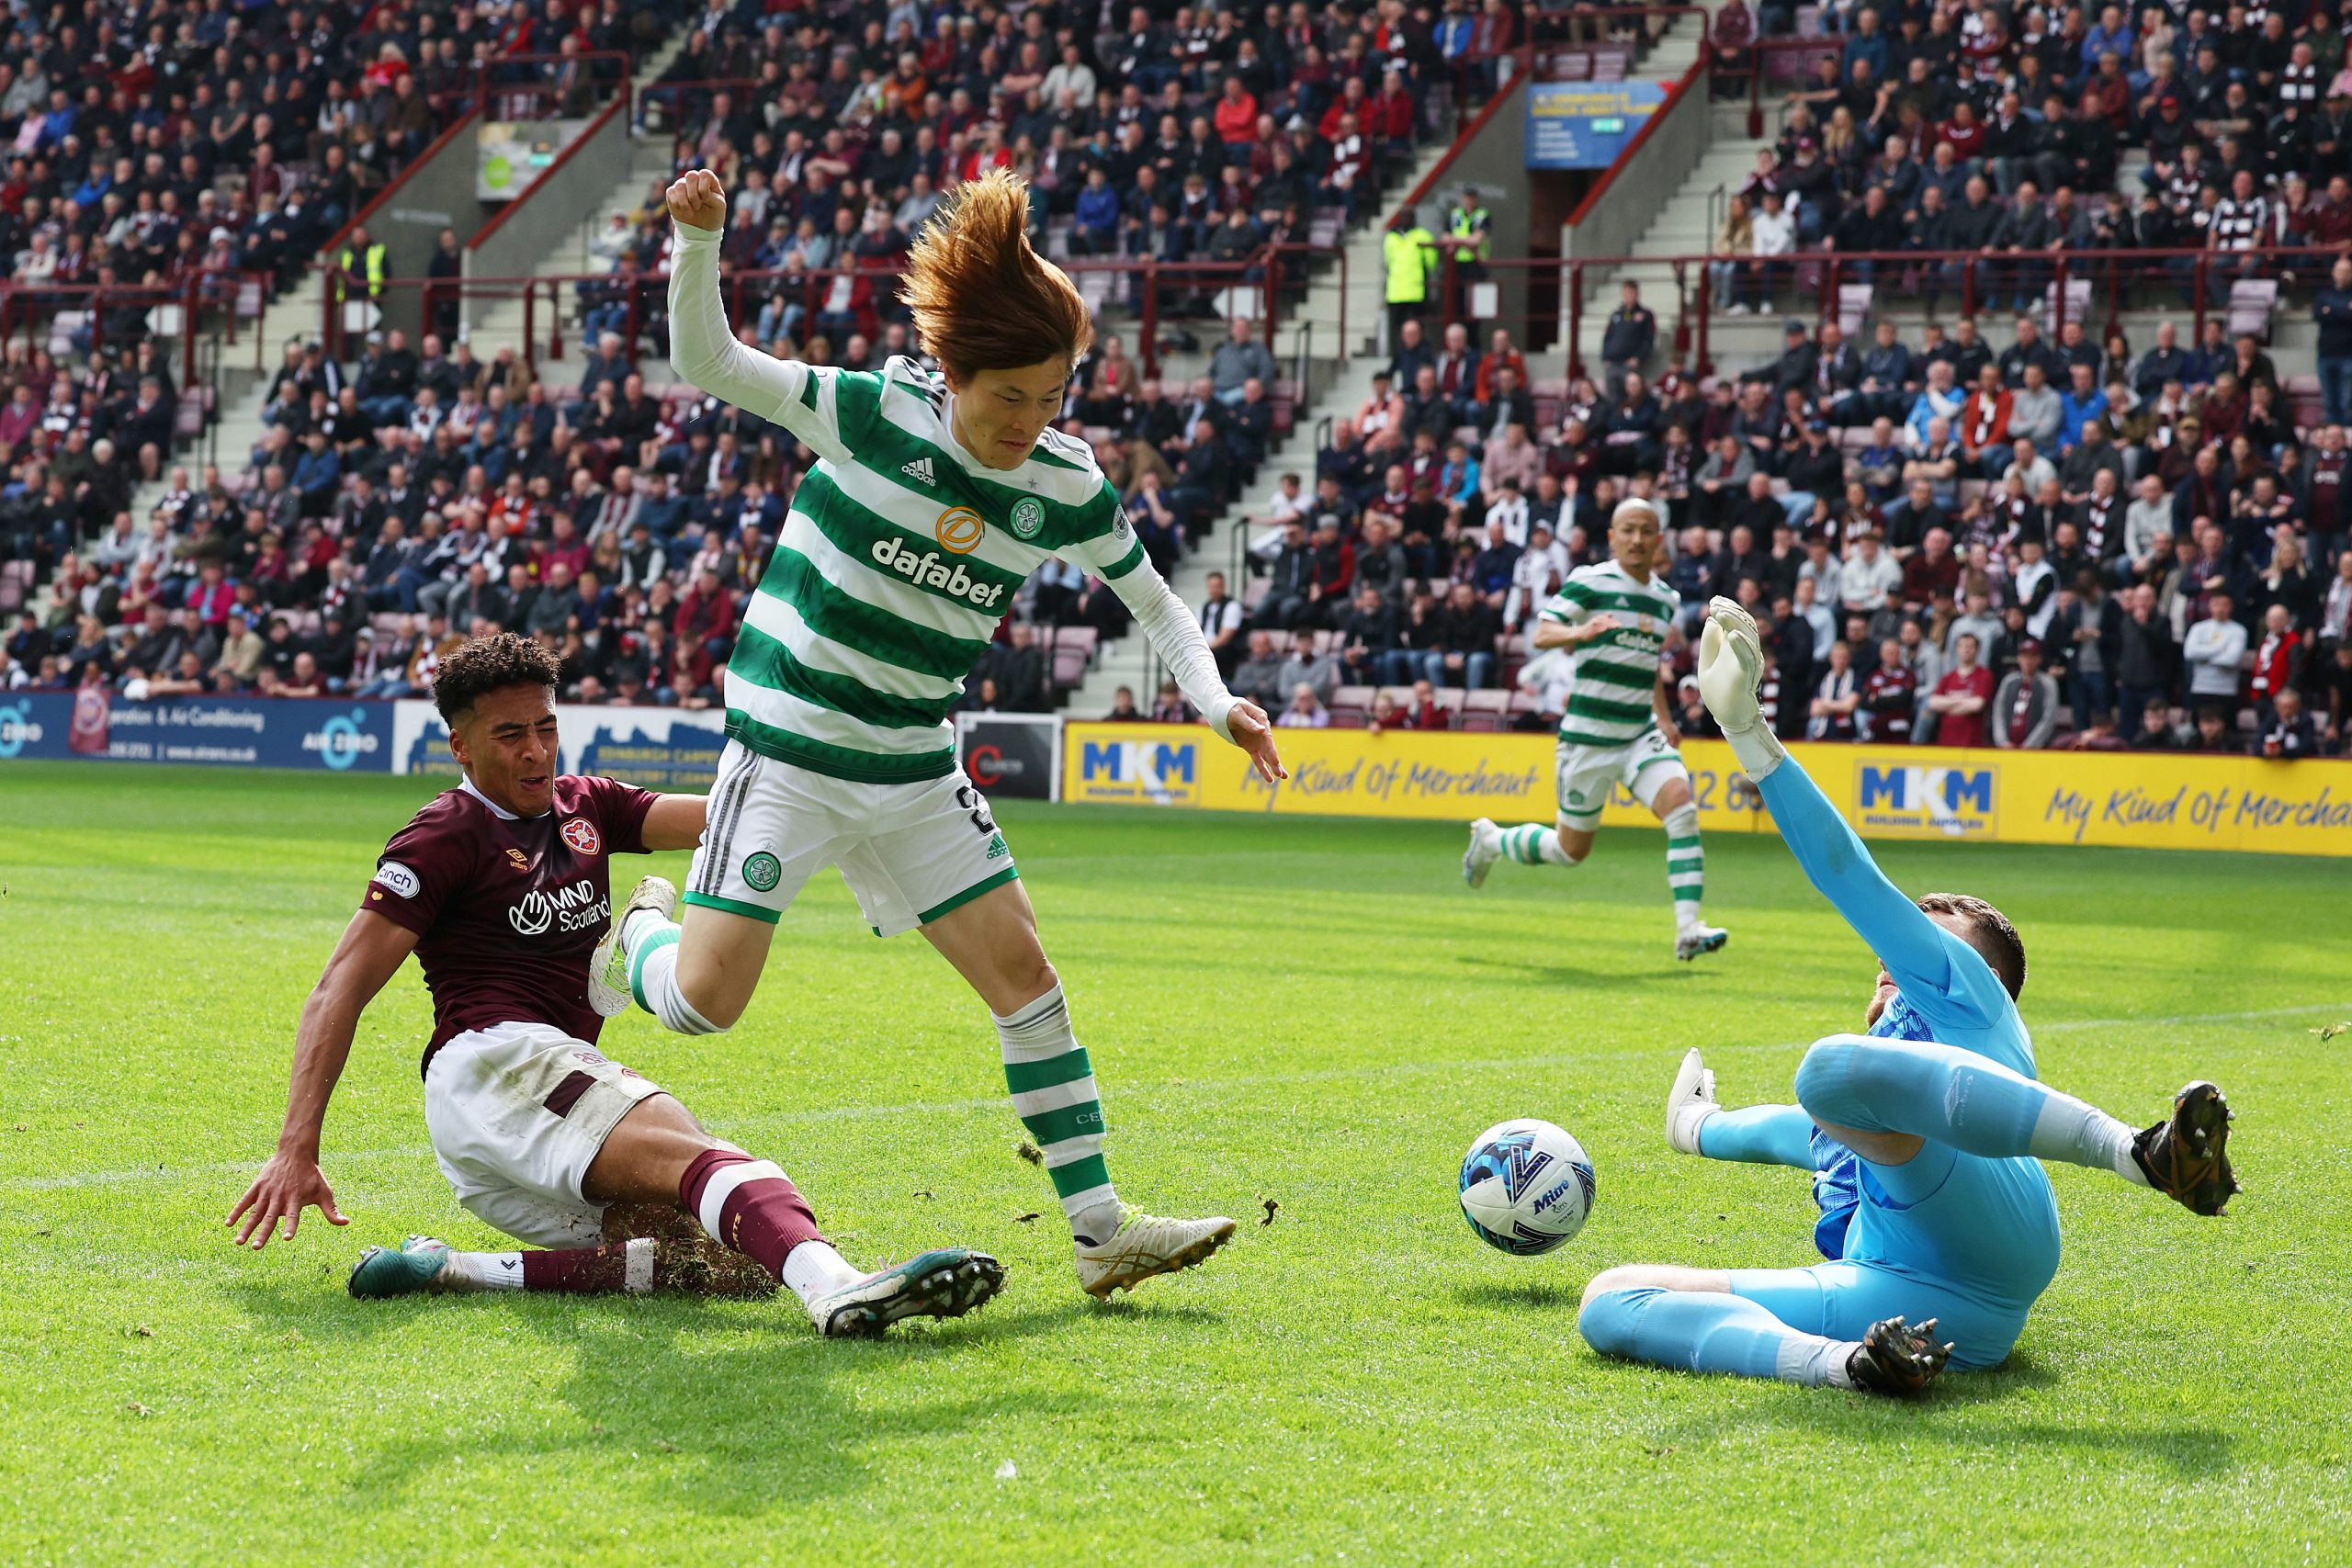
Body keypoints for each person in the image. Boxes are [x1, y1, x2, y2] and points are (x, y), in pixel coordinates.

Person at [593, 168, 1284, 1300]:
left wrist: (1215, 702)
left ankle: (1100, 1230)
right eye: (1009, 396)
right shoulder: (869, 412)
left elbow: (1152, 599)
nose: (1031, 423)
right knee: (707, 1005)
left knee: (1027, 981)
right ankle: (636, 940)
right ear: (955, 373)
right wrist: (698, 241)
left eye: (1054, 397)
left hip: (913, 766)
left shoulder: (1063, 483)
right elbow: (708, 363)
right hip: (794, 752)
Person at [226, 636, 1005, 1337]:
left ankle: (454, 1269)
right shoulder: (444, 835)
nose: (536, 752)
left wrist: (842, 805)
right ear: (460, 745)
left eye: (546, 727)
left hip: (515, 1112)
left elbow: (714, 821)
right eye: (509, 735)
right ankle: (836, 1288)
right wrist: (297, 1146)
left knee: (712, 1264)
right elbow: (338, 988)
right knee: (707, 1160)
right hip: (495, 1066)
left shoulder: (584, 808)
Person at [1575, 598, 2238, 1397]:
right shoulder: (1859, 1098)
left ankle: (2141, 1152)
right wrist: (1694, 1127)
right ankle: (1858, 1365)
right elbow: (1779, 1132)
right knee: (1610, 1301)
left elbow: (1845, 872)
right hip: (1908, 1300)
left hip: (2000, 1232)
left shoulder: (1974, 1002)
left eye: (1931, 930)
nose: (1901, 949)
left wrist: (1748, 731)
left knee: (1825, 1072)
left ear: (1986, 974)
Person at [1461, 499, 1731, 963]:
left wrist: (1664, 718)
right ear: (1612, 536)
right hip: (1588, 738)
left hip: (1638, 733)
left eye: (1646, 531)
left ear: (1659, 539)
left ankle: (1688, 928)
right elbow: (1541, 634)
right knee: (1569, 851)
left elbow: (1645, 665)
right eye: (1628, 530)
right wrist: (1579, 634)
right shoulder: (1590, 581)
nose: (1637, 539)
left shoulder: (1665, 599)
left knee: (1682, 809)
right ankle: (1491, 839)